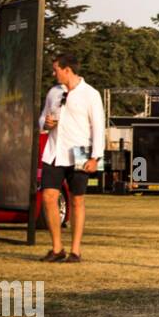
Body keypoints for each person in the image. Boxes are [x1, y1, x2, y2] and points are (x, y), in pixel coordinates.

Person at [37, 52, 105, 262]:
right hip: (54, 151)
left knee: (77, 200)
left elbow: (98, 127)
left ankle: (76, 250)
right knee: (48, 197)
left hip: (79, 152)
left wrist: (96, 157)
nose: (53, 73)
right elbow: (42, 119)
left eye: (56, 69)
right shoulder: (53, 92)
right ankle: (57, 248)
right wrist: (45, 124)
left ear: (67, 70)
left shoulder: (90, 94)